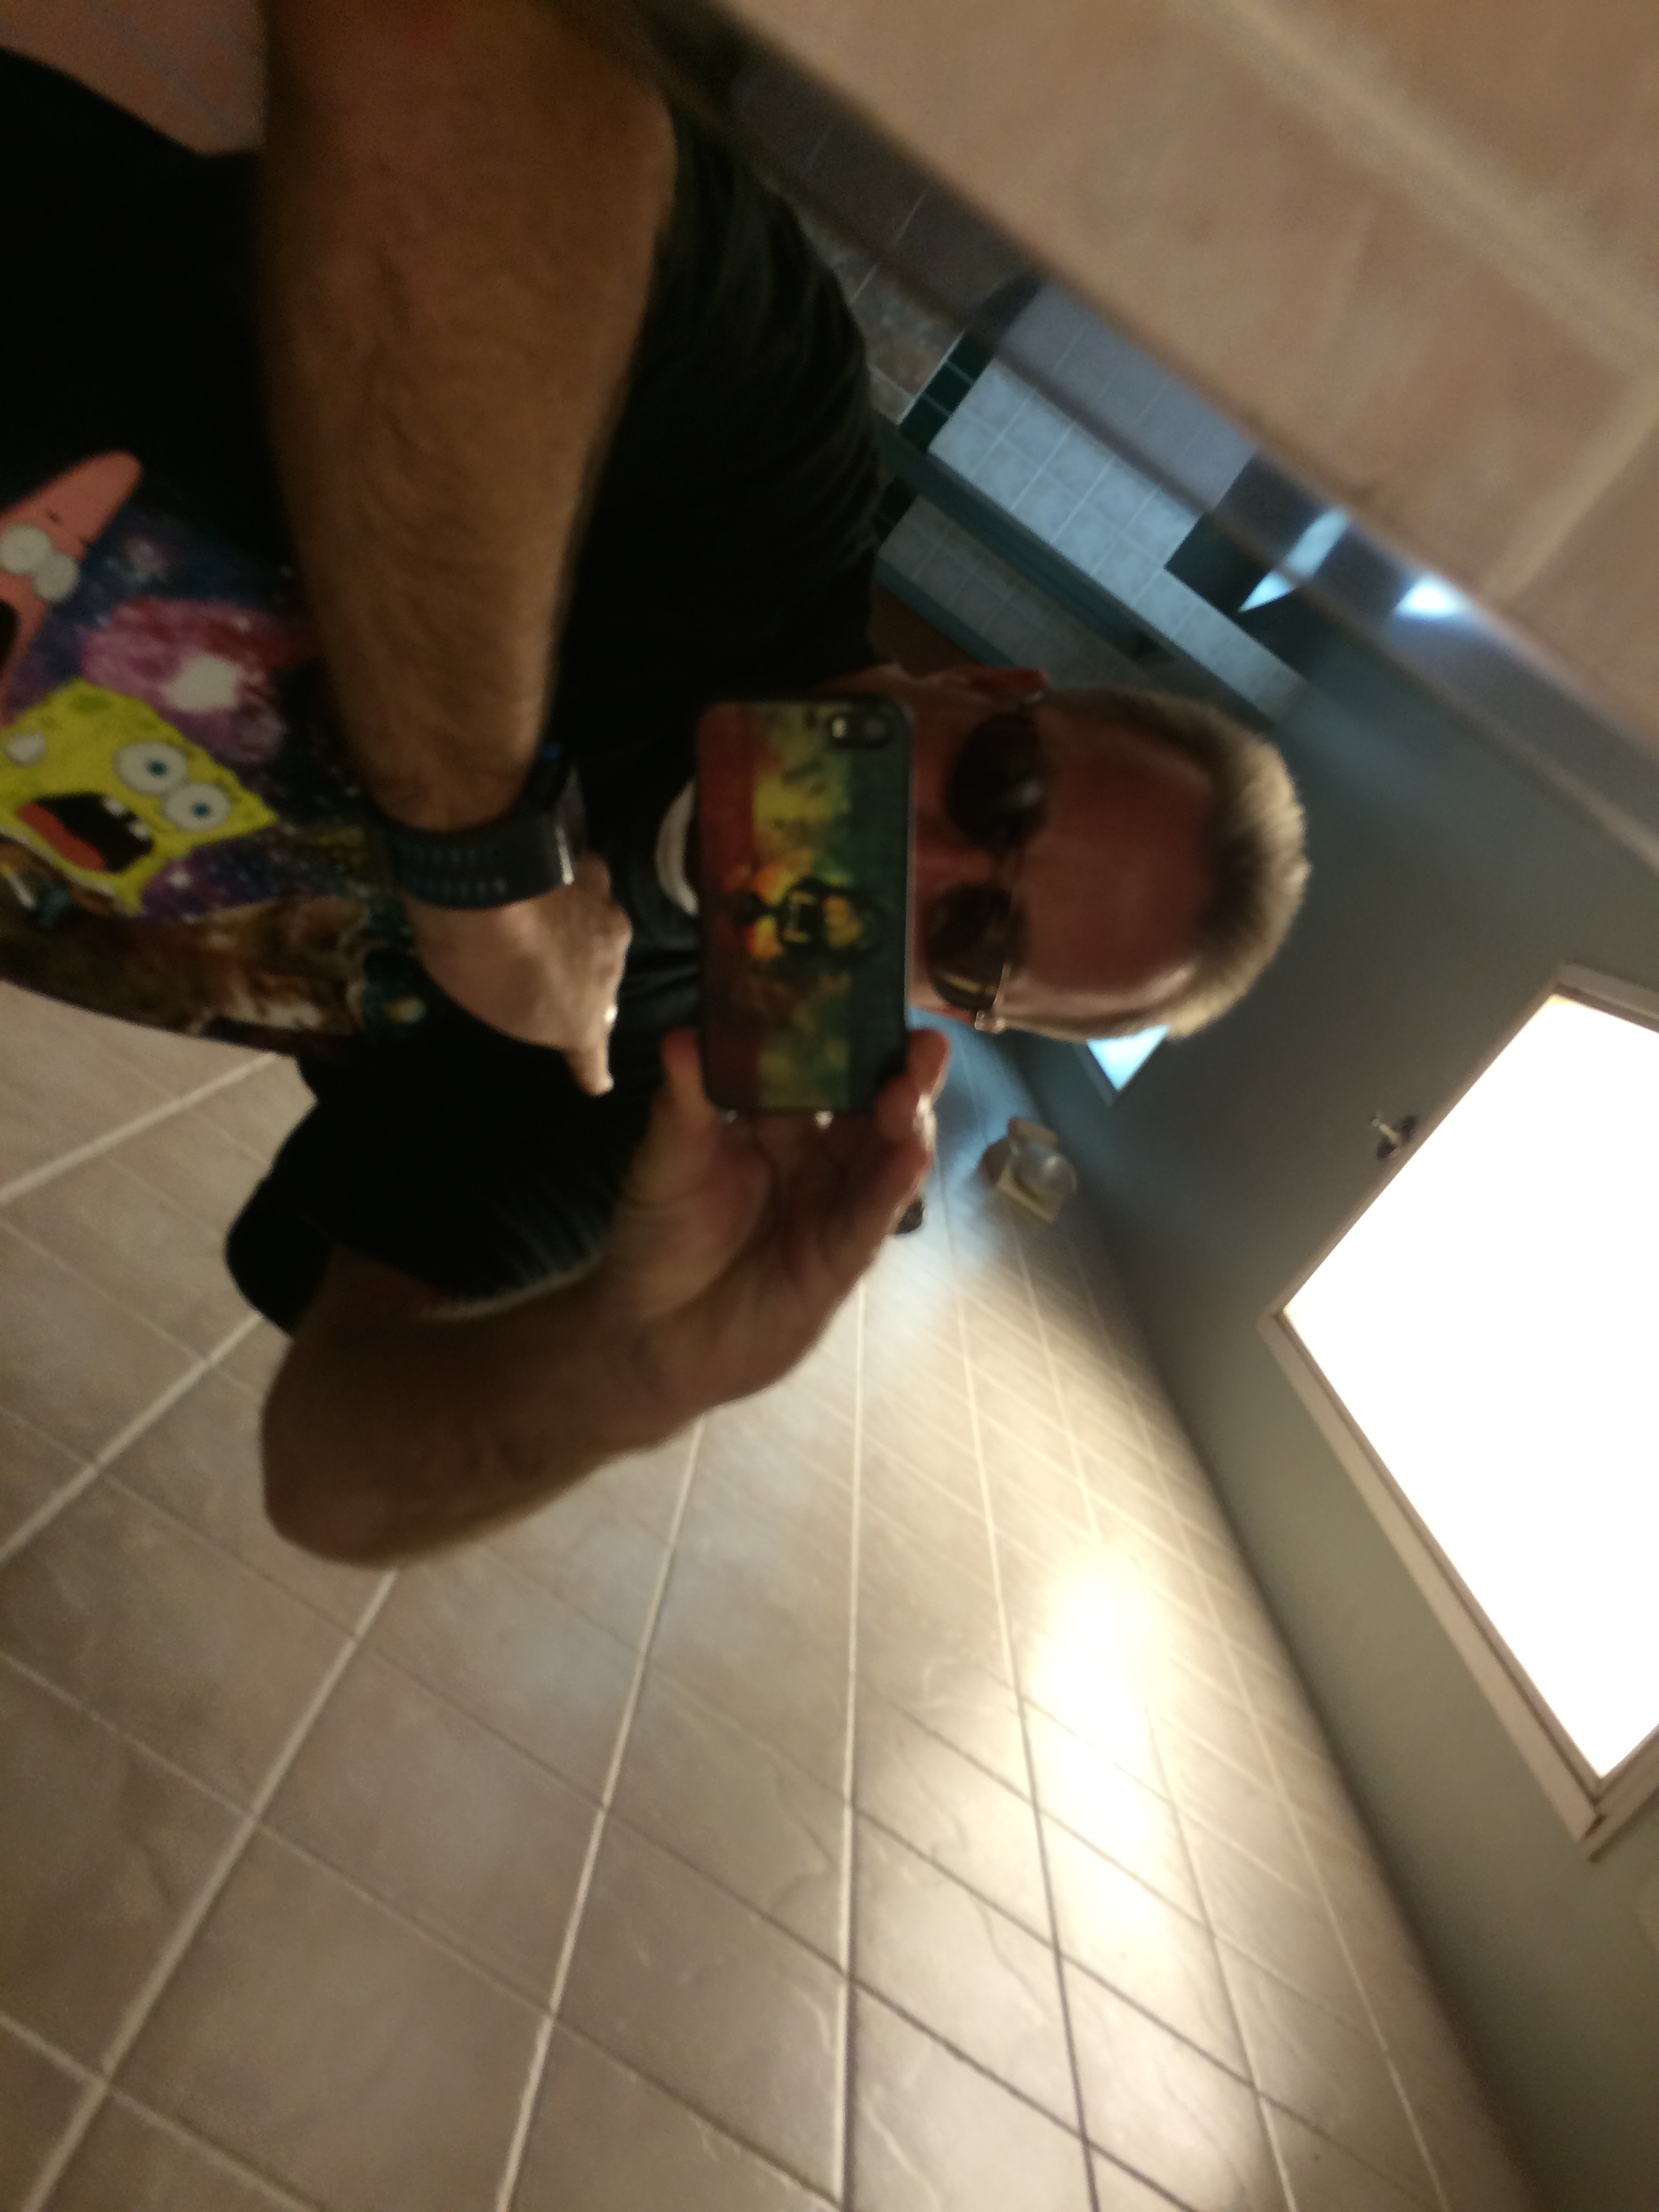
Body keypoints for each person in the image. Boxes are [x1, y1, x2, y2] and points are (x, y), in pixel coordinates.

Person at [0, 3, 1307, 1565]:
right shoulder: (764, 458)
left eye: (976, 937)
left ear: (961, 1013)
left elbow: (330, 1479)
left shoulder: (655, 1089)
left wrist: (637, 1366)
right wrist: (482, 875)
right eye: (1005, 792)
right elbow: (443, 43)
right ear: (991, 691)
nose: (921, 857)